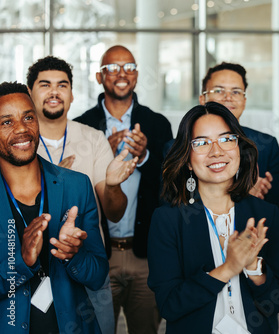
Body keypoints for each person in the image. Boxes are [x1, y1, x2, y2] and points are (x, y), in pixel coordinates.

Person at [148, 102, 279, 333]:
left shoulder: (265, 215)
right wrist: (228, 268)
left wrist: (253, 267)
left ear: (239, 149)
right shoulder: (168, 220)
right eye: (201, 143)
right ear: (187, 159)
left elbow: (275, 303)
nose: (216, 151)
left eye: (226, 139)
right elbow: (170, 305)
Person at [27, 55, 137, 334]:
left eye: (62, 85)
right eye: (45, 84)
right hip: (30, 268)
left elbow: (114, 212)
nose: (54, 91)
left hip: (86, 264)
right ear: (30, 93)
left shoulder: (92, 138)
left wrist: (112, 185)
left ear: (72, 94)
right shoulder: (20, 142)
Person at [74, 45, 173, 333]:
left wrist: (144, 156)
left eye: (128, 67)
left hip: (145, 254)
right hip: (98, 253)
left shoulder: (157, 124)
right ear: (98, 76)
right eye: (112, 68)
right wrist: (104, 152)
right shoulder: (82, 125)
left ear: (137, 75)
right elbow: (76, 186)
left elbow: (172, 184)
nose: (121, 74)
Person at [0, 81, 108, 333]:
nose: (21, 129)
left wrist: (73, 254)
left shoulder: (77, 185)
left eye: (28, 117)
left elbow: (97, 275)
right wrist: (23, 262)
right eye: (6, 122)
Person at [199, 62, 279, 213]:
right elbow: (171, 204)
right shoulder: (178, 147)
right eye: (219, 90)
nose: (228, 97)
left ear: (244, 101)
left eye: (236, 92)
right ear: (203, 99)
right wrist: (243, 195)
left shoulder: (267, 146)